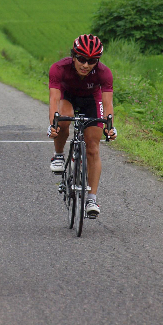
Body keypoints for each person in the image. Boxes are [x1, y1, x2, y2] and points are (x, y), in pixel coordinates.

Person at [47, 34, 117, 218]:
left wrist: (110, 126)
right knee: (64, 117)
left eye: (92, 61)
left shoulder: (104, 73)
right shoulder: (59, 68)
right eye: (81, 59)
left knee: (93, 147)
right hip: (67, 97)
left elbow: (107, 103)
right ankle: (59, 155)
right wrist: (53, 125)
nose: (86, 65)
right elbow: (54, 99)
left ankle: (92, 199)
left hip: (90, 100)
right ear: (73, 55)